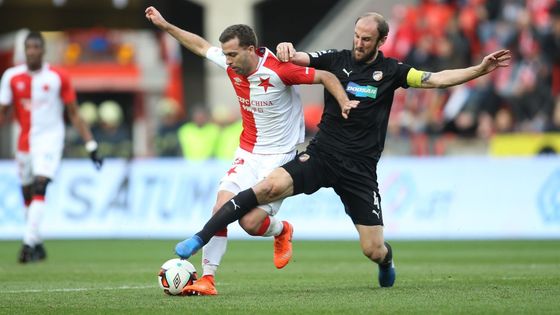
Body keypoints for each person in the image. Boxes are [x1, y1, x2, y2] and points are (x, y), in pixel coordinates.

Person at [174, 12, 511, 289]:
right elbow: (297, 61)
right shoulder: (335, 59)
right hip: (322, 154)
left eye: (367, 39)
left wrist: (478, 70)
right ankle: (198, 240)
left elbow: (435, 79)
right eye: (356, 36)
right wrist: (287, 49)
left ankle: (386, 260)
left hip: (360, 170)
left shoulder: (392, 71)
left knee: (372, 249)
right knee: (265, 187)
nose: (359, 43)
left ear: (381, 41)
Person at [145, 6, 358, 296]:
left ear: (251, 49)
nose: (228, 61)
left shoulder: (280, 69)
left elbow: (325, 77)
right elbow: (198, 44)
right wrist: (166, 24)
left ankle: (282, 230)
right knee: (220, 208)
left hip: (280, 157)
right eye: (226, 55)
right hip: (248, 153)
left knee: (250, 222)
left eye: (233, 54)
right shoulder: (232, 64)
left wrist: (344, 102)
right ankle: (208, 278)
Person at [0, 31, 103, 263]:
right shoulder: (11, 77)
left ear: (43, 50)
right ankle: (37, 243)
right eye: (29, 47)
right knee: (27, 194)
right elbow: (3, 113)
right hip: (24, 142)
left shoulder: (58, 77)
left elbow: (74, 114)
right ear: (24, 50)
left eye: (36, 47)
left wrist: (91, 144)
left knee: (40, 185)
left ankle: (27, 244)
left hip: (50, 140)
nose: (32, 51)